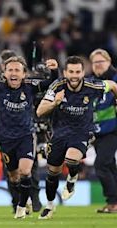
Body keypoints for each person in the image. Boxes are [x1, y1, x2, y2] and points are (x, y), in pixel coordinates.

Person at [0, 55, 58, 219]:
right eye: (10, 70)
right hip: (5, 138)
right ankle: (23, 200)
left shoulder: (30, 86)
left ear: (24, 74)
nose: (13, 73)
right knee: (13, 176)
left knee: (25, 172)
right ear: (4, 73)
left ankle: (21, 206)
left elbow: (51, 84)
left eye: (17, 70)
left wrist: (54, 71)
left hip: (26, 136)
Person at [37, 56, 117, 219]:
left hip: (81, 132)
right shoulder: (57, 86)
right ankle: (50, 205)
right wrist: (54, 103)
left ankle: (73, 175)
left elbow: (114, 85)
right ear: (65, 72)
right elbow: (40, 111)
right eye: (71, 72)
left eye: (78, 72)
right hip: (59, 133)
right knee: (53, 173)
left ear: (83, 72)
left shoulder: (93, 85)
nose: (74, 75)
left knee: (72, 159)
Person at [89, 49, 117, 213]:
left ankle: (113, 202)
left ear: (109, 62)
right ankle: (113, 201)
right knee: (110, 166)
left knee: (101, 165)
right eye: (95, 63)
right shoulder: (92, 82)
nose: (98, 65)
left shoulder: (115, 80)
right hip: (98, 131)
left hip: (113, 130)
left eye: (101, 62)